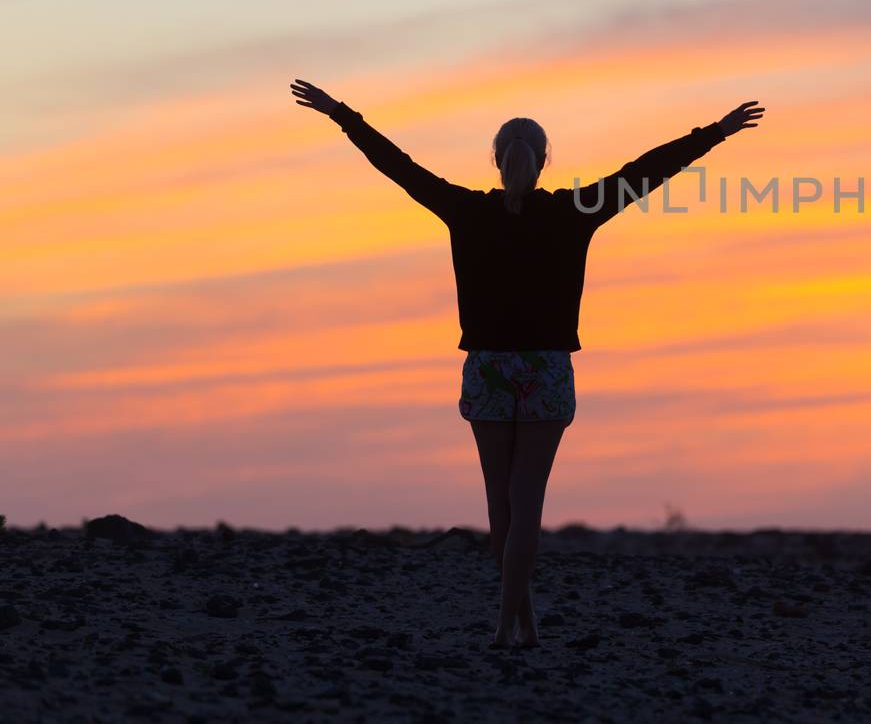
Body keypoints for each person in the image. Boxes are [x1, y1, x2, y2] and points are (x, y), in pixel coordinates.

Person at [290, 78, 764, 648]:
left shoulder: (465, 210)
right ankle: (507, 625)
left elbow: (398, 166)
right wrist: (715, 133)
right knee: (527, 502)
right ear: (544, 163)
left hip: (488, 367)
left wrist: (343, 114)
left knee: (500, 503)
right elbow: (648, 170)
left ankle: (519, 622)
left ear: (494, 162)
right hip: (544, 371)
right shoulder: (574, 211)